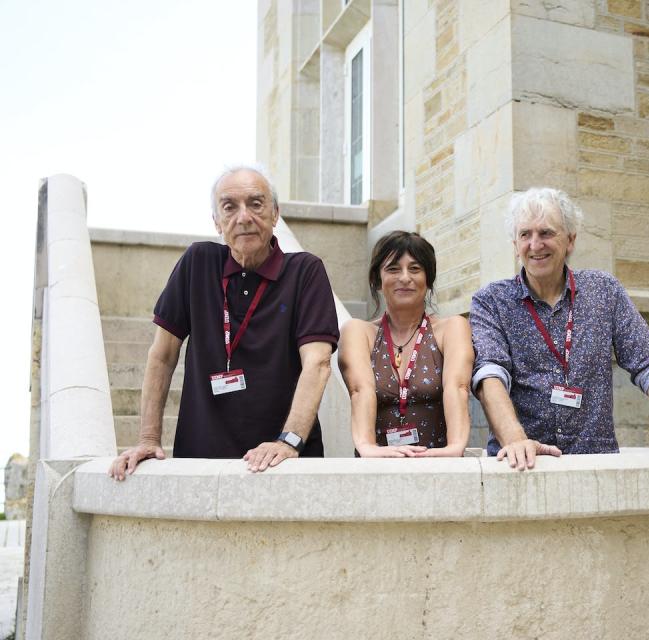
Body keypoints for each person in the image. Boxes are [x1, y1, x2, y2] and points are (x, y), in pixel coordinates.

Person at [470, 187, 649, 478]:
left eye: (547, 233)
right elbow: (490, 374)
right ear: (515, 244)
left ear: (571, 241)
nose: (535, 244)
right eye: (525, 234)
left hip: (595, 466)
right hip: (521, 466)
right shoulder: (490, 301)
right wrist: (515, 439)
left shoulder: (604, 291)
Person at [109, 165, 340, 480]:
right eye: (229, 207)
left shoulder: (305, 271)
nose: (243, 217)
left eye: (256, 204)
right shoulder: (198, 263)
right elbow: (162, 356)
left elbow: (318, 362)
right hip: (201, 461)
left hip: (284, 464)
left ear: (275, 214)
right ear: (216, 221)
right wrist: (148, 440)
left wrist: (289, 441)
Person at [338, 232, 472, 457]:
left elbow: (458, 387)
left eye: (415, 269)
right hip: (379, 464)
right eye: (393, 269)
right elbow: (360, 390)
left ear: (428, 279)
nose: (404, 277)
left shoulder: (452, 328)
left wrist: (455, 447)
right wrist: (366, 447)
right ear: (377, 280)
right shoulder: (359, 332)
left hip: (437, 463)